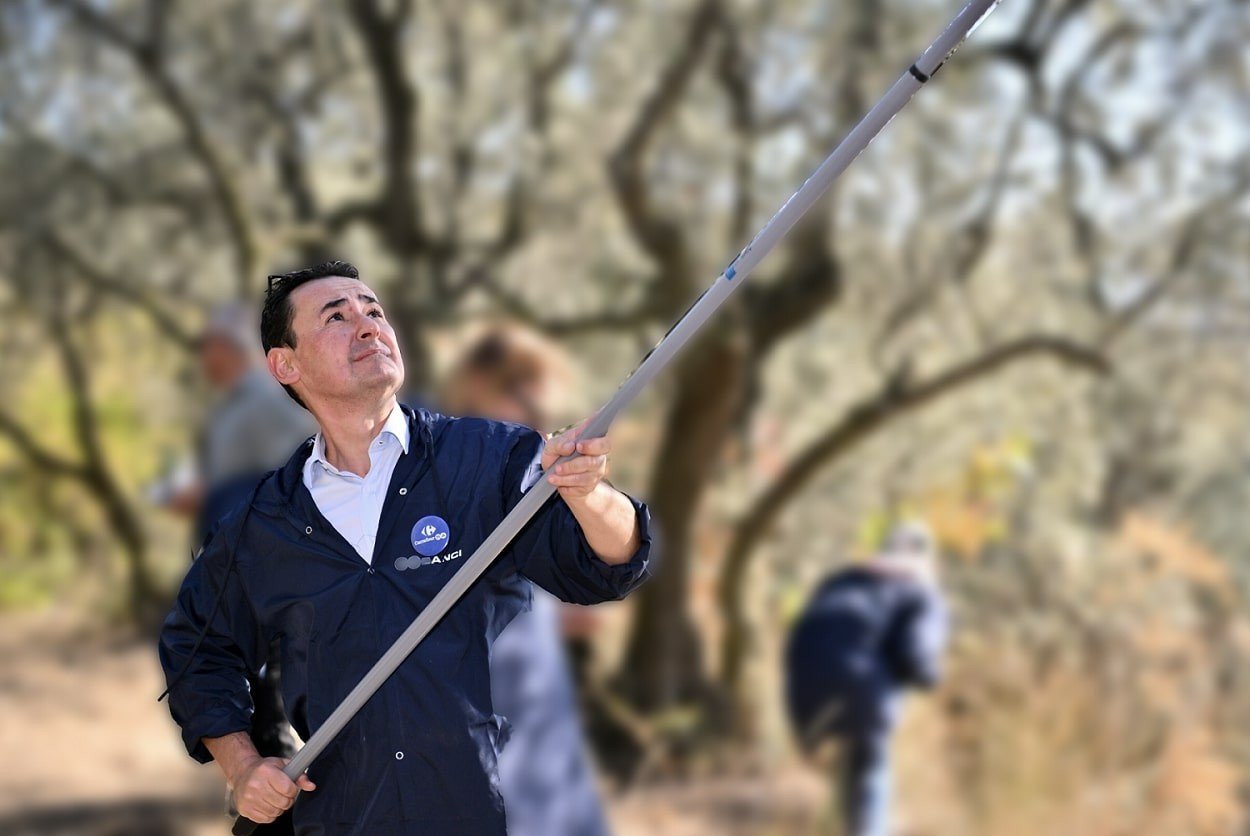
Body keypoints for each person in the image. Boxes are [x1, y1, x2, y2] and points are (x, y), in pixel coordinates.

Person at [158, 261, 654, 835]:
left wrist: (591, 495)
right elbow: (198, 648)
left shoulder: (487, 458)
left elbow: (609, 566)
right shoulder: (263, 523)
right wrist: (242, 767)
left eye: (373, 310)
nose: (367, 325)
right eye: (336, 317)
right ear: (285, 364)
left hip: (508, 815)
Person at [154, 303, 317, 835]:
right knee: (231, 678)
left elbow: (291, 481)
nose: (205, 360)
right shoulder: (232, 409)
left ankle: (283, 802)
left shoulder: (271, 403)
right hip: (231, 580)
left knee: (274, 694)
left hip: (272, 584)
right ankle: (258, 787)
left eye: (211, 348)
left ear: (231, 348)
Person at [440, 323, 609, 836]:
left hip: (539, 693)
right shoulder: (447, 468)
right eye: (516, 386)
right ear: (477, 387)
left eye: (536, 388)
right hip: (475, 688)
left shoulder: (541, 465)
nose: (534, 405)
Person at [784, 521, 950, 836]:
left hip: (802, 693)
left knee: (844, 776)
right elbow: (917, 655)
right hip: (861, 692)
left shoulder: (841, 581)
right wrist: (931, 678)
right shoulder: (922, 593)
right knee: (872, 774)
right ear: (931, 563)